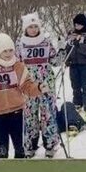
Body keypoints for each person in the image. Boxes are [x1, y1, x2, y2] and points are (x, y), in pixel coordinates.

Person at [0, 33, 39, 158]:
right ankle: (2, 167)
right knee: (2, 149)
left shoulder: (18, 66)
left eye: (11, 50)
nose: (8, 54)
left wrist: (39, 88)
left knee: (20, 147)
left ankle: (21, 165)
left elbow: (27, 86)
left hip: (17, 111)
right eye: (5, 51)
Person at [17, 13, 62, 157]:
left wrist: (62, 50)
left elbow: (55, 61)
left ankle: (50, 145)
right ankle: (30, 145)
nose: (33, 29)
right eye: (30, 27)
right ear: (25, 28)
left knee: (47, 114)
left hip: (46, 84)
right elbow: (16, 64)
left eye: (35, 26)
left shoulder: (45, 41)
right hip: (28, 85)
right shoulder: (20, 43)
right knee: (30, 116)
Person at [66, 13, 86, 118]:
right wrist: (67, 59)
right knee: (75, 85)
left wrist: (79, 45)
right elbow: (68, 47)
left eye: (79, 25)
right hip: (74, 64)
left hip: (85, 64)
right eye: (75, 25)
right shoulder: (72, 34)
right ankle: (77, 103)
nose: (77, 27)